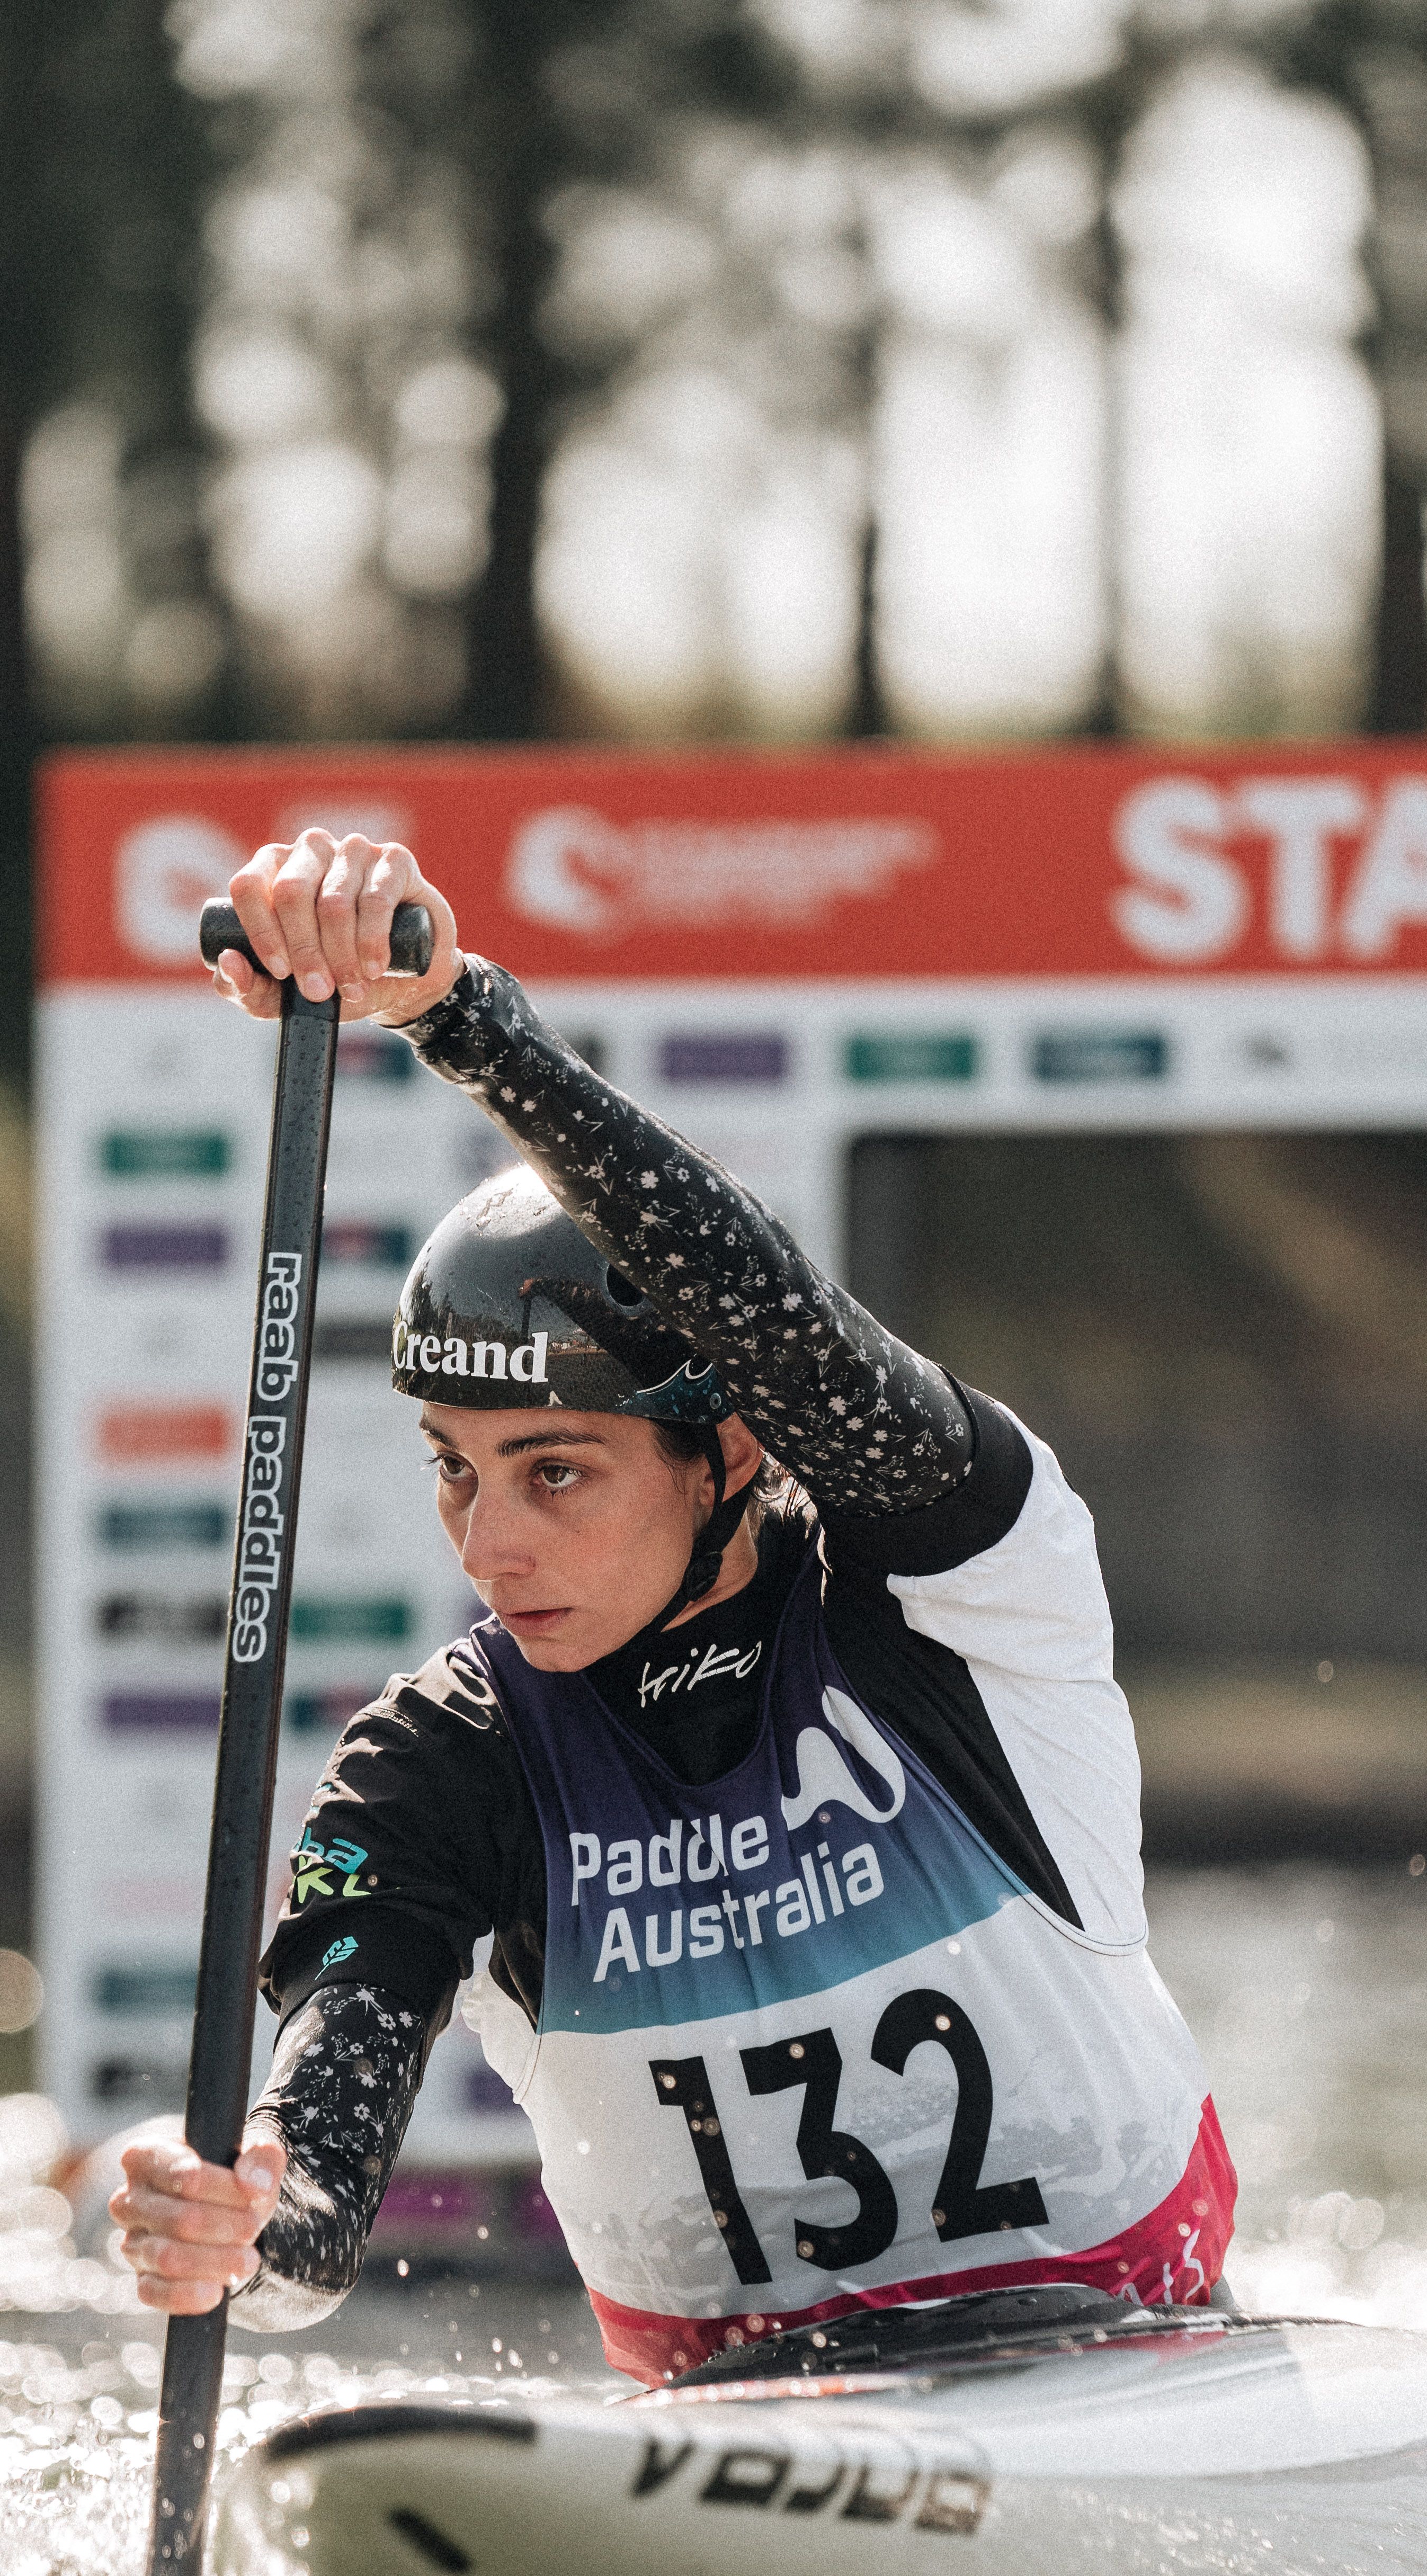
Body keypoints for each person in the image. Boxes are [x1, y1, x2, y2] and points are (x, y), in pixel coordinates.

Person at [109, 828, 1235, 2380]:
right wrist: (249, 2217)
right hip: (738, 2432)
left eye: (555, 1473)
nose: (485, 1547)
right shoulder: (450, 1762)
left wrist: (460, 1017)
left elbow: (793, 1326)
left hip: (1127, 2356)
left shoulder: (952, 1586)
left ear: (732, 1447)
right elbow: (319, 2168)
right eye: (456, 1470)